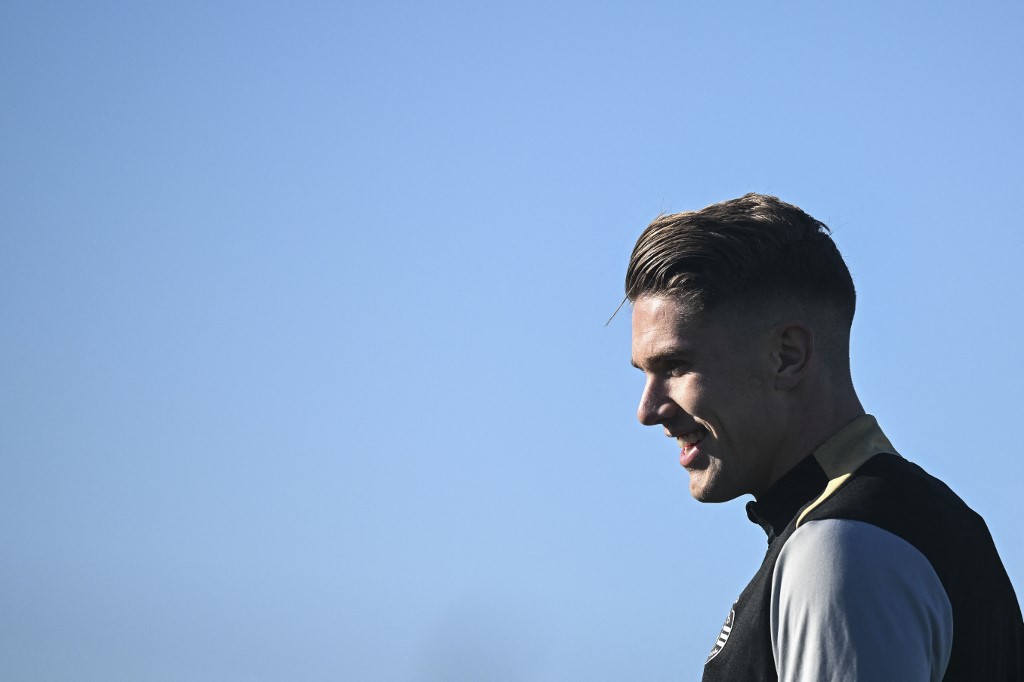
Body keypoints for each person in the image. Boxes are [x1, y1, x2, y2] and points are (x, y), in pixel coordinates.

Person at [625, 193, 1023, 681]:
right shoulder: (918, 522)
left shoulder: (842, 547)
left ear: (788, 356)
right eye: (644, 373)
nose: (647, 411)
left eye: (675, 365)